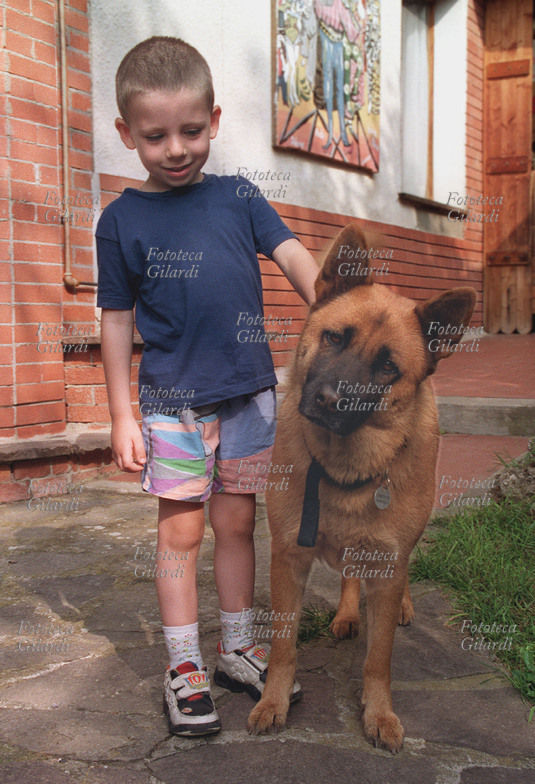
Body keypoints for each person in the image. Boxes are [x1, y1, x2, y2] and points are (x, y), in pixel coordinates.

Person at [96, 36, 319, 737]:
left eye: (191, 130)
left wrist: (336, 308)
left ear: (215, 121)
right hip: (171, 403)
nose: (176, 148)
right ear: (125, 134)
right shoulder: (121, 220)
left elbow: (293, 258)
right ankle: (183, 663)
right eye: (155, 135)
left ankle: (236, 648)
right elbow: (114, 320)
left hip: (249, 395)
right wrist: (120, 414)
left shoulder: (239, 196)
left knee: (236, 522)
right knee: (181, 531)